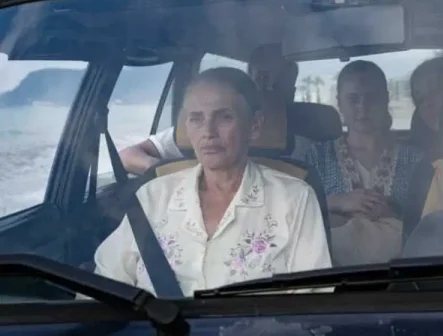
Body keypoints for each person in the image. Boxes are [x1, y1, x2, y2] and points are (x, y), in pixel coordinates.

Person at [90, 67, 331, 296]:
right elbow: (106, 284)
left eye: (224, 117)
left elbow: (313, 297)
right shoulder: (153, 195)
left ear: (254, 126)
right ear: (186, 126)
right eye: (196, 118)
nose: (208, 132)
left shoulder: (294, 198)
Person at [120, 45, 311, 175]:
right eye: (261, 78)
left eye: (277, 84)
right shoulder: (191, 133)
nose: (208, 132)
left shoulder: (308, 149)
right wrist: (172, 174)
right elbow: (127, 156)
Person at [306, 60, 424, 265]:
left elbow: (433, 220)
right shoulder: (316, 157)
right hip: (330, 272)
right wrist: (337, 201)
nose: (363, 107)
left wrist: (392, 213)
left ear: (386, 99)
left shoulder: (415, 160)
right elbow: (292, 211)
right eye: (353, 99)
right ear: (340, 103)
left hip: (402, 273)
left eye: (372, 98)